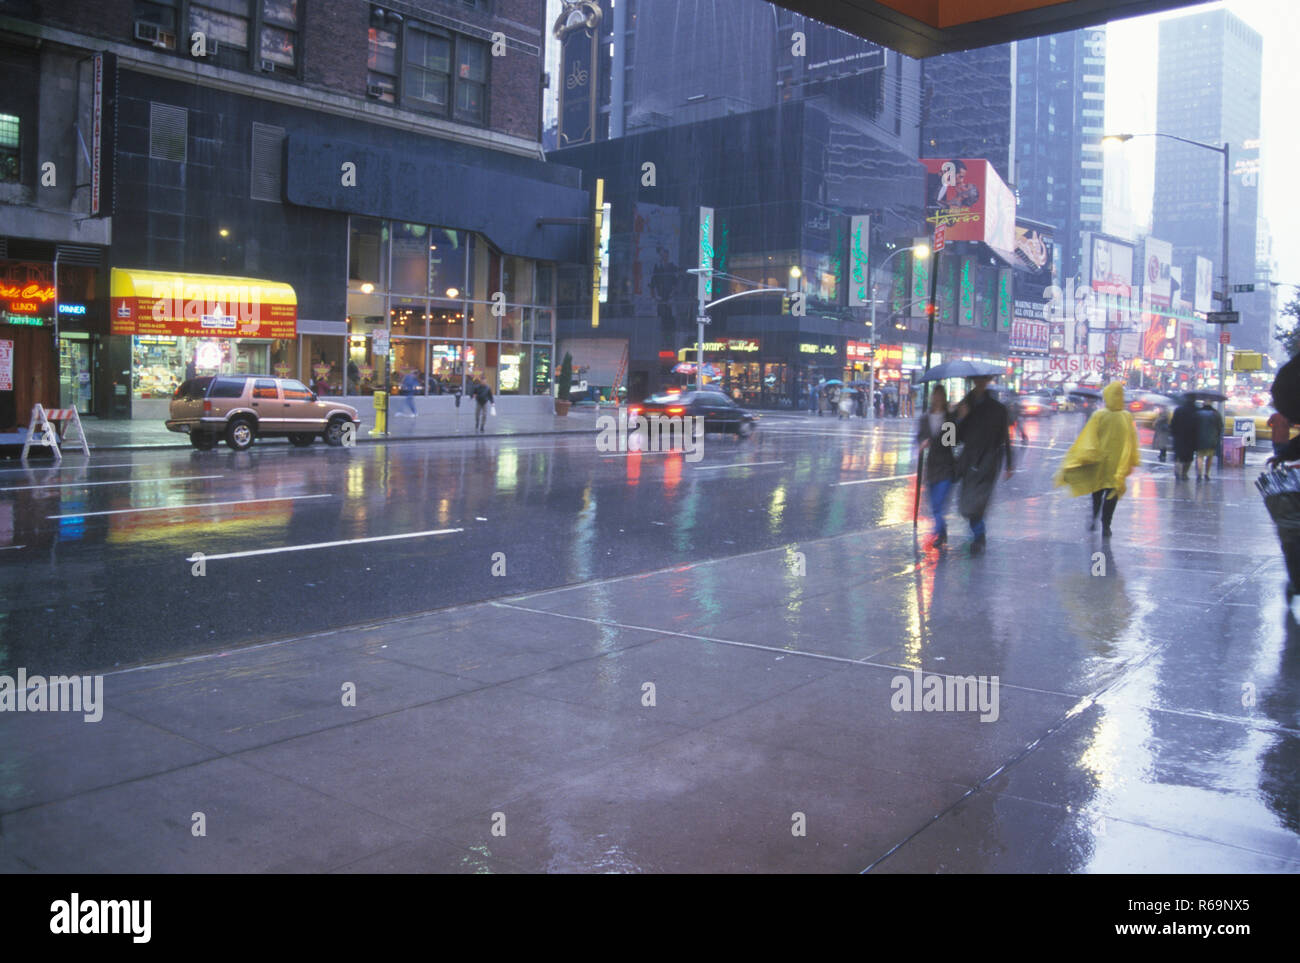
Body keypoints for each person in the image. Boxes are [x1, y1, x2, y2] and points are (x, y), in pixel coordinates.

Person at [1054, 381, 1140, 539]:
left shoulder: (1099, 415)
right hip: (1116, 464)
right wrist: (1132, 458)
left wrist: (1082, 455)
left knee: (1097, 492)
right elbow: (1132, 440)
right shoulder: (1126, 416)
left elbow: (1089, 437)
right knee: (1112, 493)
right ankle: (1106, 524)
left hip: (1099, 461)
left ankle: (1094, 517)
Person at [954, 375, 1014, 555]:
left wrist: (1009, 464)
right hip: (969, 458)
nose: (979, 383)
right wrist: (959, 419)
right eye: (977, 380)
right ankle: (977, 532)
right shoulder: (964, 405)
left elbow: (1005, 438)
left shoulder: (998, 409)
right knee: (966, 503)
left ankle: (979, 536)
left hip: (990, 459)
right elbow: (950, 438)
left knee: (979, 501)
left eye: (983, 380)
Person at [916, 385, 957, 549]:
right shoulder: (925, 418)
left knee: (939, 504)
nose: (937, 398)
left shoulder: (949, 418)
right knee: (934, 506)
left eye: (940, 395)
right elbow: (920, 436)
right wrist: (922, 443)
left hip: (946, 466)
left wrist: (931, 441)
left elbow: (950, 442)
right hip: (932, 466)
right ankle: (942, 530)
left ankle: (938, 533)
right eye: (935, 395)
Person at [1170, 394, 1198, 480]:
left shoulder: (1179, 410)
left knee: (1178, 456)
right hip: (1191, 437)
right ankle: (1184, 473)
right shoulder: (1196, 410)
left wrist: (1173, 433)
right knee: (1188, 457)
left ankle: (1177, 472)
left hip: (1178, 436)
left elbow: (1173, 423)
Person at [1194, 400, 1222, 481]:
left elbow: (1194, 426)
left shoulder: (1198, 413)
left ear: (1203, 403)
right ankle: (1207, 474)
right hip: (1212, 439)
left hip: (1199, 438)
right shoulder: (1216, 413)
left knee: (1199, 456)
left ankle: (1199, 474)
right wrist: (1217, 436)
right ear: (1212, 404)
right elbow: (1220, 426)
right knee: (1209, 457)